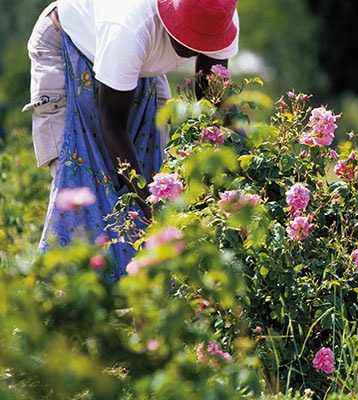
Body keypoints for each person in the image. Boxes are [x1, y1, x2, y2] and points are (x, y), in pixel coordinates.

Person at [23, 0, 239, 282]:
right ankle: (67, 299)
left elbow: (211, 93)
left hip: (138, 63)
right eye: (186, 40)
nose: (191, 51)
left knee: (154, 170)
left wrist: (244, 161)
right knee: (80, 178)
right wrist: (152, 208)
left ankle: (136, 295)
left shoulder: (217, 13)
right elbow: (112, 125)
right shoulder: (130, 27)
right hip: (69, 42)